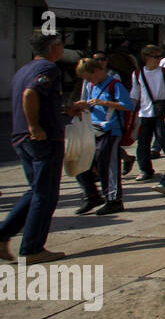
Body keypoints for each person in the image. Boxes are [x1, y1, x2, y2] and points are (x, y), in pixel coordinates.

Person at [1, 32, 90, 263]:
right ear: (54, 48)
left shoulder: (23, 69)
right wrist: (35, 126)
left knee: (35, 190)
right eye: (61, 46)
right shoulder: (49, 69)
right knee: (46, 194)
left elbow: (37, 99)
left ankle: (3, 235)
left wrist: (64, 110)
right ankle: (32, 248)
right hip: (42, 140)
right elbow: (30, 94)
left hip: (22, 138)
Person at [73, 56, 135, 216]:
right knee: (80, 163)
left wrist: (104, 103)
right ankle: (92, 195)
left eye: (89, 77)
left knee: (107, 165)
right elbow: (90, 104)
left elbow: (128, 105)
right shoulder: (92, 85)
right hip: (93, 128)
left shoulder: (115, 85)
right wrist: (82, 105)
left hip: (110, 130)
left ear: (97, 71)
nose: (88, 81)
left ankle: (113, 200)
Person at [130, 45, 165, 182]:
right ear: (147, 58)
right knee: (143, 143)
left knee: (164, 139)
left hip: (161, 111)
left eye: (160, 56)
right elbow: (135, 94)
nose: (159, 60)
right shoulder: (137, 74)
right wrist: (130, 114)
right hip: (144, 112)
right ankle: (145, 170)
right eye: (156, 57)